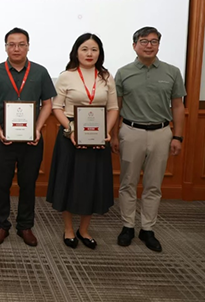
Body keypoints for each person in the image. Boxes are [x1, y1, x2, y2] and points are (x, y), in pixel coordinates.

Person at [111, 26, 186, 253]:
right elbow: (117, 107)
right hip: (130, 132)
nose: (149, 45)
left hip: (161, 133)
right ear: (134, 45)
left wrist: (178, 136)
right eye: (144, 41)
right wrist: (113, 135)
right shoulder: (123, 73)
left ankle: (147, 229)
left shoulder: (172, 72)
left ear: (159, 46)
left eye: (154, 41)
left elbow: (178, 106)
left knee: (153, 184)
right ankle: (127, 226)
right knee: (128, 183)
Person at [0, 28, 55, 247]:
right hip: (2, 140)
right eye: (12, 44)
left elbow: (48, 104)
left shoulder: (40, 72)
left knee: (28, 184)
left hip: (31, 140)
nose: (16, 48)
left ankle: (25, 226)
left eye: (21, 44)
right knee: (1, 184)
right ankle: (1, 225)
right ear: (6, 47)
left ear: (28, 46)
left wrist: (38, 128)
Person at [46, 33, 119, 249]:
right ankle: (69, 229)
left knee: (92, 183)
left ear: (100, 53)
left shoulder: (106, 76)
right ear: (76, 52)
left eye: (94, 49)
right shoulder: (66, 76)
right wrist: (71, 130)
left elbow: (113, 108)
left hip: (97, 135)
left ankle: (84, 229)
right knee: (69, 181)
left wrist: (106, 131)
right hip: (71, 134)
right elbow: (57, 107)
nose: (89, 53)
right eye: (84, 49)